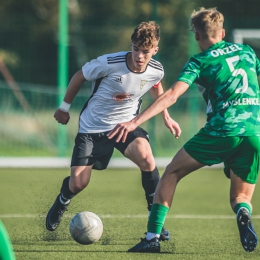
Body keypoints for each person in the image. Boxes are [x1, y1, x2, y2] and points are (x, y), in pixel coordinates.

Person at [108, 7, 260, 253]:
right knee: (241, 198)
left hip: (222, 130)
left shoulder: (199, 61)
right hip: (254, 132)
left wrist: (134, 121)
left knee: (170, 174)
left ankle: (152, 238)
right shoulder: (247, 52)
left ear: (196, 36)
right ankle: (243, 213)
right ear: (222, 32)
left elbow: (171, 95)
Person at [45, 21, 181, 242]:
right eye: (136, 49)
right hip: (92, 128)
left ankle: (156, 222)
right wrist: (64, 108)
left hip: (126, 126)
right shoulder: (109, 63)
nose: (139, 56)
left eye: (145, 52)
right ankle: (63, 199)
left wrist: (166, 116)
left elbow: (156, 86)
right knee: (78, 183)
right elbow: (80, 76)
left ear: (155, 50)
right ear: (131, 45)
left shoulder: (157, 69)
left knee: (147, 158)